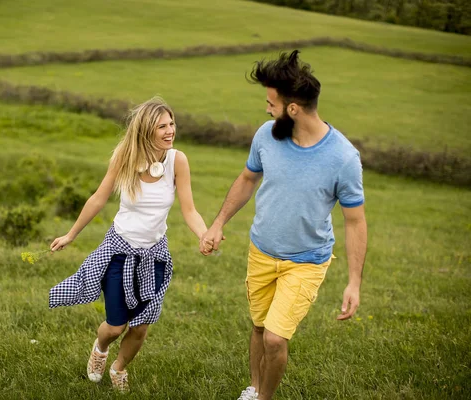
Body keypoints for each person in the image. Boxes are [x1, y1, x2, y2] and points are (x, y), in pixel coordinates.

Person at [199, 50, 367, 400]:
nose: (266, 110)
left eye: (271, 103)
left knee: (276, 337)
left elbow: (355, 221)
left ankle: (264, 398)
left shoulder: (343, 158)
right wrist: (217, 223)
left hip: (306, 260)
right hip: (261, 251)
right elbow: (247, 179)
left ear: (293, 109)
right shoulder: (266, 135)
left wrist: (354, 282)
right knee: (260, 328)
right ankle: (254, 388)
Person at [48, 97, 208, 393]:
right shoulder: (124, 156)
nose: (170, 130)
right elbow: (98, 198)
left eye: (172, 123)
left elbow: (189, 210)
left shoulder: (177, 161)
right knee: (116, 326)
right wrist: (71, 234)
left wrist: (204, 234)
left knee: (142, 325)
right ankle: (100, 348)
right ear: (147, 130)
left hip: (155, 255)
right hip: (119, 252)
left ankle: (119, 369)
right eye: (162, 126)